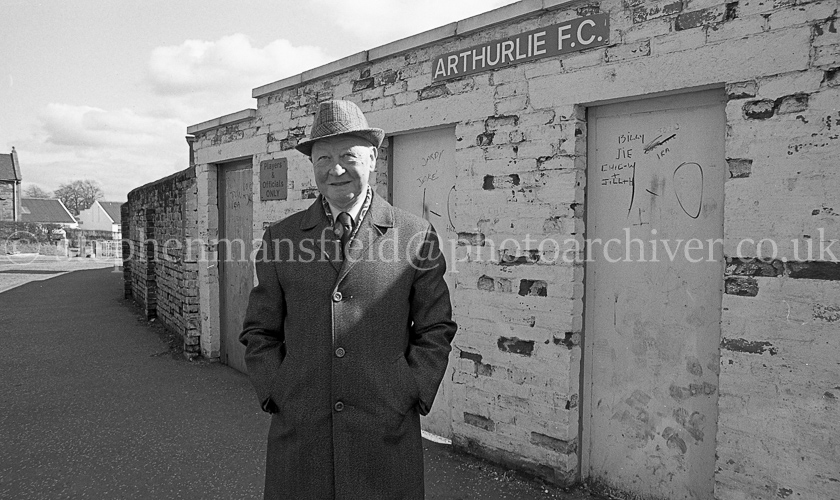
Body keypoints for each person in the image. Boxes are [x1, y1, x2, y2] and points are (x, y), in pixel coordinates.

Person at [240, 99, 457, 499]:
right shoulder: (282, 238)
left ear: (373, 158)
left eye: (347, 156)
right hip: (302, 433)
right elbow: (259, 329)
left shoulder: (415, 235)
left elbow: (435, 328)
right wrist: (278, 389)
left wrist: (407, 389)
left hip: (384, 431)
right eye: (323, 158)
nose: (335, 169)